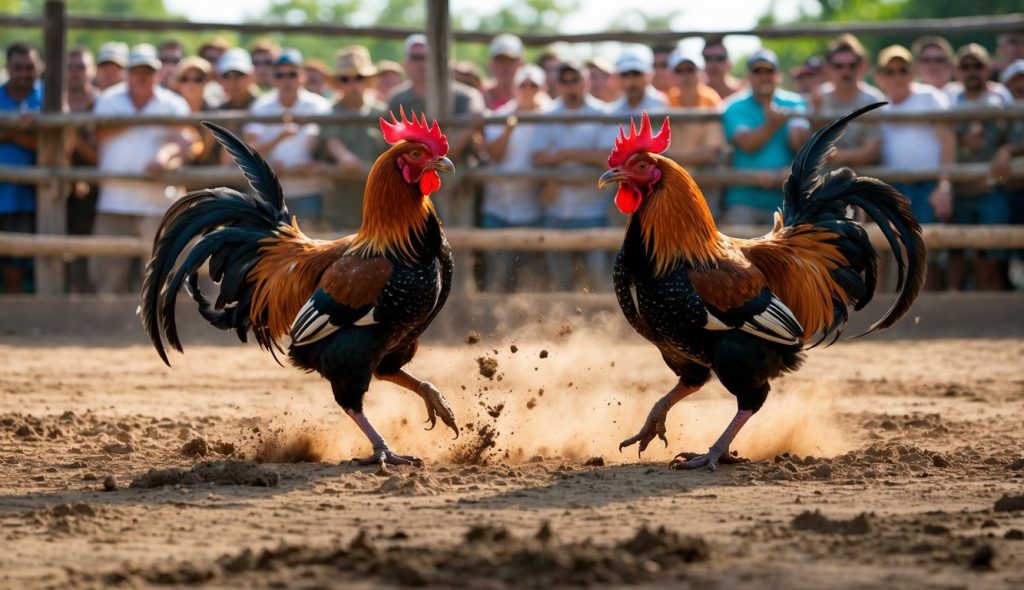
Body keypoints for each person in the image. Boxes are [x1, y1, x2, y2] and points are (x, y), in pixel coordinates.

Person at [90, 44, 195, 295]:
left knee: (159, 276)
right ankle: (109, 324)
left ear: (158, 73)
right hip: (114, 202)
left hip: (158, 203)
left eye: (148, 71)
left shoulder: (173, 103)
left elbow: (186, 142)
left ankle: (154, 327)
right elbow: (97, 133)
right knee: (107, 273)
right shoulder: (109, 100)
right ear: (127, 72)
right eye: (137, 70)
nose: (142, 76)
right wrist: (139, 120)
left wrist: (166, 158)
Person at [875, 44, 955, 290]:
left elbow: (948, 140)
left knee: (923, 253)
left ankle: (925, 318)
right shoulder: (878, 105)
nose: (897, 76)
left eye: (902, 69)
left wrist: (944, 186)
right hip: (893, 189)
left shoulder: (929, 97)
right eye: (890, 71)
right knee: (887, 251)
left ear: (912, 73)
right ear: (880, 77)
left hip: (928, 184)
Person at [531, 61, 613, 292]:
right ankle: (564, 324)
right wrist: (580, 159)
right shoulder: (548, 114)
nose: (570, 87)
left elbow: (607, 158)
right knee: (560, 281)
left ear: (585, 82)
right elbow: (537, 157)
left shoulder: (602, 113)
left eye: (574, 80)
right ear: (558, 85)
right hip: (557, 209)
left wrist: (562, 154)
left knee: (601, 280)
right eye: (564, 82)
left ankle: (607, 325)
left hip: (593, 210)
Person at [480, 64, 551, 292]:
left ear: (542, 88)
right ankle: (491, 325)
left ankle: (527, 325)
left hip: (533, 210)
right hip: (498, 208)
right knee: (498, 274)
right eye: (523, 84)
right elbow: (494, 155)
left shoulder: (552, 116)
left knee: (529, 278)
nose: (528, 89)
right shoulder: (500, 116)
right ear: (515, 88)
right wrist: (510, 128)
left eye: (534, 85)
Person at [720, 49, 810, 225]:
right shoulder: (734, 106)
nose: (764, 76)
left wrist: (790, 172)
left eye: (769, 71)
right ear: (748, 77)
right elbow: (747, 144)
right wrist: (773, 123)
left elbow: (801, 144)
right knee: (739, 250)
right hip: (744, 201)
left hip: (787, 201)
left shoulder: (795, 102)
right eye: (757, 71)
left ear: (779, 75)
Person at [947, 44, 1011, 291]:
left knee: (990, 261)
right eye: (966, 66)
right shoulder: (949, 101)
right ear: (957, 71)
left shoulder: (1000, 100)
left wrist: (1006, 153)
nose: (972, 71)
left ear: (988, 69)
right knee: (956, 260)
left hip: (991, 190)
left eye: (977, 65)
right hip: (959, 191)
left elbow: (1011, 141)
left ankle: (989, 321)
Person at [244, 48, 332, 224]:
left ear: (302, 76)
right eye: (280, 75)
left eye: (292, 74)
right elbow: (250, 148)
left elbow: (331, 143)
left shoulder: (320, 106)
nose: (286, 80)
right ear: (273, 78)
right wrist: (270, 163)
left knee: (311, 247)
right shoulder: (261, 106)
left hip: (309, 190)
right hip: (269, 194)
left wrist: (318, 162)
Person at [317, 45, 388, 228]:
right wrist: (345, 158)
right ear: (339, 83)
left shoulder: (382, 112)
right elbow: (332, 142)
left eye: (359, 78)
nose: (352, 84)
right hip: (342, 198)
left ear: (367, 81)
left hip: (379, 199)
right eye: (345, 79)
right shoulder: (331, 112)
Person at [388, 34, 484, 163]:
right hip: (415, 176)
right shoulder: (397, 99)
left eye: (426, 58)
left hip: (457, 174)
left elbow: (476, 107)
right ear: (406, 63)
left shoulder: (463, 95)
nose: (420, 63)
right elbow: (396, 146)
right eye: (415, 58)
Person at [662, 48, 726, 217]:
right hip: (672, 183)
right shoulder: (666, 102)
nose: (686, 75)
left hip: (703, 183)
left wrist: (669, 157)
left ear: (700, 73)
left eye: (690, 70)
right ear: (672, 75)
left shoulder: (712, 100)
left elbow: (710, 153)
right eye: (680, 70)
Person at [0, 42, 43, 294]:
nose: (24, 73)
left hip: (24, 200)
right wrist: (22, 130)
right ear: (8, 68)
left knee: (14, 272)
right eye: (18, 68)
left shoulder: (46, 98)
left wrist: (8, 132)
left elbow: (54, 146)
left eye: (29, 68)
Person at [818, 34, 884, 168]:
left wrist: (834, 156)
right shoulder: (819, 97)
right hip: (824, 182)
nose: (846, 71)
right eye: (839, 66)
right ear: (829, 68)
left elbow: (872, 151)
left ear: (861, 66)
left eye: (852, 65)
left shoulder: (873, 99)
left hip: (861, 181)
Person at [66, 46, 101, 293]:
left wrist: (71, 132)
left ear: (92, 71)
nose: (75, 72)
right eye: (70, 67)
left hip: (97, 187)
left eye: (81, 67)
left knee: (94, 245)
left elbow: (98, 154)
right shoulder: (51, 100)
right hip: (62, 188)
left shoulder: (103, 104)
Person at [996, 60, 1024, 289]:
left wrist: (1009, 150)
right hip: (1009, 190)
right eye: (1016, 80)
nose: (1021, 84)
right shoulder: (1000, 111)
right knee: (1005, 254)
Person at [606, 46, 667, 118]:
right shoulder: (614, 110)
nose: (630, 81)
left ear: (648, 75)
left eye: (636, 73)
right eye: (624, 74)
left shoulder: (662, 105)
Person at [483, 34, 524, 110]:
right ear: (491, 64)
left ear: (521, 63)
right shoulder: (482, 95)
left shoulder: (535, 96)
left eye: (511, 61)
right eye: (500, 60)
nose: (505, 66)